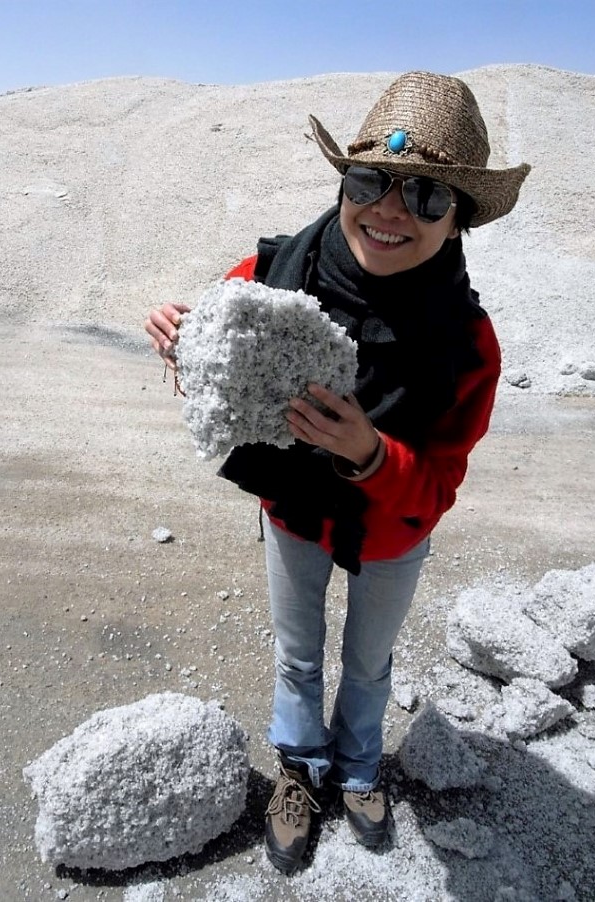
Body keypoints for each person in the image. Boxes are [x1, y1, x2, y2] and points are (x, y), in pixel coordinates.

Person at [144, 71, 530, 873]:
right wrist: (182, 341)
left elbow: (437, 485)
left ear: (460, 219)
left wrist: (369, 454)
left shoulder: (468, 344)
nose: (391, 210)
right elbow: (217, 378)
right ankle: (301, 766)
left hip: (392, 530)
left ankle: (357, 765)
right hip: (292, 510)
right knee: (296, 652)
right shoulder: (268, 272)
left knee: (368, 658)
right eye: (370, 181)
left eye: (427, 196)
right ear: (344, 182)